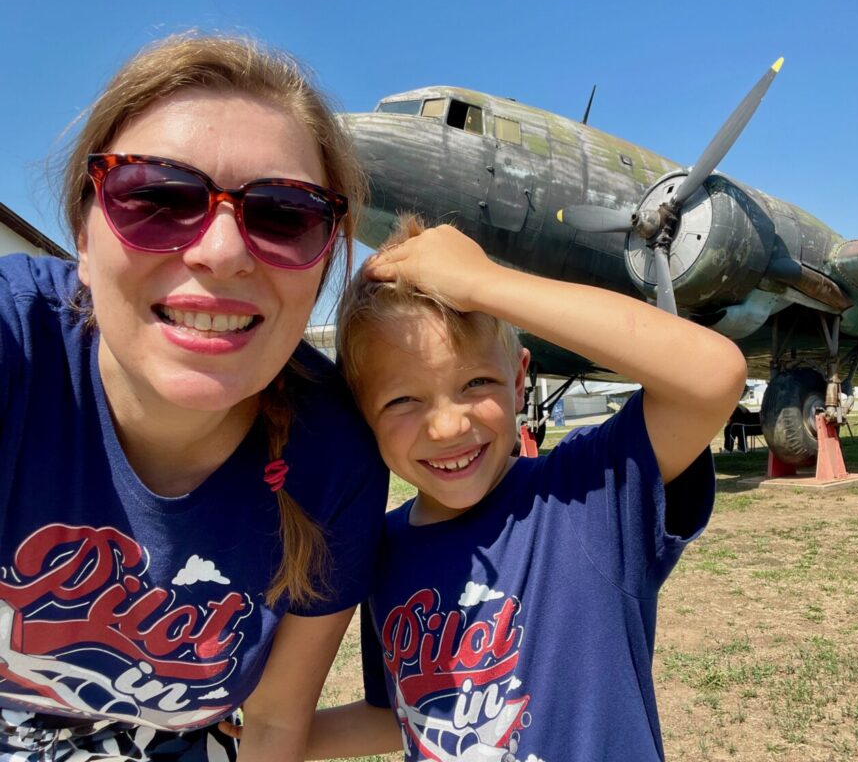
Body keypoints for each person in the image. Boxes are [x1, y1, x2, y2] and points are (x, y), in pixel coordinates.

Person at [226, 217, 747, 760]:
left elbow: (711, 374)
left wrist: (484, 283)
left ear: (520, 379)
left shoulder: (587, 496)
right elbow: (403, 718)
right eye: (403, 400)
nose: (448, 426)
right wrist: (263, 727)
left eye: (476, 383)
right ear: (362, 415)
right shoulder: (380, 551)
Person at [0, 34, 388, 760]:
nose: (222, 251)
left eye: (284, 215)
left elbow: (272, 727)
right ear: (83, 236)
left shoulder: (334, 461)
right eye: (155, 197)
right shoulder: (14, 353)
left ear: (326, 263)